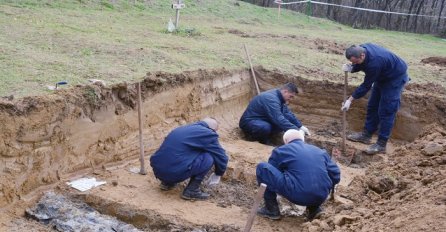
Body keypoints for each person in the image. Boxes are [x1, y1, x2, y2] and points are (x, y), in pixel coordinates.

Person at [256, 129, 341, 221]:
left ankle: (271, 210)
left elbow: (271, 175)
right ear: (303, 140)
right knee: (312, 177)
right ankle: (314, 209)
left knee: (262, 168)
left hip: (297, 195)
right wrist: (325, 188)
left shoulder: (281, 151)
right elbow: (336, 175)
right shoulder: (321, 151)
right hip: (321, 196)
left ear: (286, 142)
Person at [341, 43, 409, 154]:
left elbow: (366, 86)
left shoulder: (375, 63)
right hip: (381, 75)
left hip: (394, 78)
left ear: (362, 55)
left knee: (386, 110)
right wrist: (352, 68)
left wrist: (350, 100)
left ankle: (381, 144)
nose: (353, 63)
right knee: (372, 106)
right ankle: (366, 135)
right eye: (351, 62)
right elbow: (361, 64)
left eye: (355, 62)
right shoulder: (362, 48)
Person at [149, 117, 229, 200]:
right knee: (209, 157)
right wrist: (218, 173)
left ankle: (167, 183)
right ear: (212, 129)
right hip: (173, 173)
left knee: (179, 153)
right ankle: (192, 190)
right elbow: (221, 156)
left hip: (158, 171)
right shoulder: (208, 133)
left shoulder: (181, 128)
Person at [239, 83, 310, 145]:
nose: (290, 99)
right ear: (285, 91)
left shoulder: (279, 98)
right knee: (265, 127)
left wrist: (300, 126)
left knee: (280, 126)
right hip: (249, 122)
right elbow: (278, 119)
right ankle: (259, 141)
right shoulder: (271, 99)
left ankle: (269, 137)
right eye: (290, 96)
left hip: (262, 120)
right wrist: (297, 131)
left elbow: (287, 113)